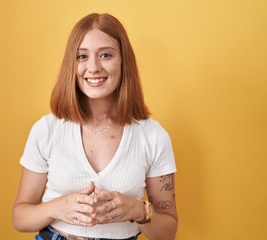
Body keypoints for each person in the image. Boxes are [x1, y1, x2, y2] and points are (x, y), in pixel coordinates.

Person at [13, 13, 178, 240]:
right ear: (71, 63)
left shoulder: (153, 136)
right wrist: (55, 208)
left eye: (106, 55)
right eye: (82, 56)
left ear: (123, 61)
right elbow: (20, 217)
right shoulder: (46, 130)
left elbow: (168, 233)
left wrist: (138, 210)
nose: (93, 67)